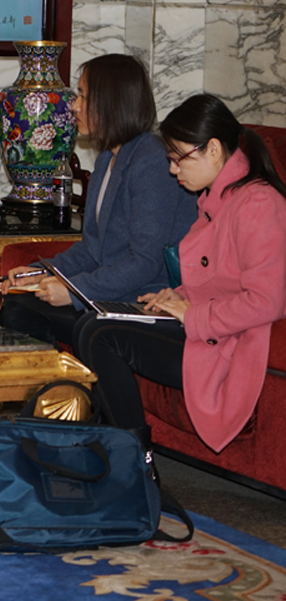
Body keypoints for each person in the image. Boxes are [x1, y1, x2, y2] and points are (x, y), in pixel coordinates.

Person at [77, 94, 286, 453]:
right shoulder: (220, 197)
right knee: (92, 323)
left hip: (231, 342)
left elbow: (267, 301)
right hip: (208, 328)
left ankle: (136, 460)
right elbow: (220, 278)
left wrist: (193, 314)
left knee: (101, 335)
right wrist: (178, 296)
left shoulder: (258, 203)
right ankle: (113, 451)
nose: (174, 170)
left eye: (178, 158)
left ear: (213, 150)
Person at [0, 54, 197, 347]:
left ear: (111, 102)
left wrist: (75, 291)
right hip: (108, 293)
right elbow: (92, 249)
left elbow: (145, 262)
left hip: (144, 297)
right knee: (12, 305)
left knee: (27, 314)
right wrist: (42, 272)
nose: (74, 106)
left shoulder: (151, 161)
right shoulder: (106, 160)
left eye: (83, 96)